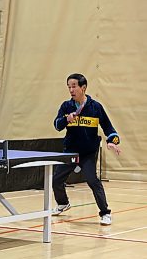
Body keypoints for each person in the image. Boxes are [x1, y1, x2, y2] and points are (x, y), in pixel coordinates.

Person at [52, 73, 121, 226]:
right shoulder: (66, 106)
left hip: (88, 153)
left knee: (92, 180)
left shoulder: (95, 107)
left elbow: (108, 127)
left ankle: (105, 213)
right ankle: (63, 203)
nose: (71, 90)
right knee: (56, 179)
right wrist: (66, 119)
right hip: (70, 151)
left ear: (83, 88)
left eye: (74, 86)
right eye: (69, 87)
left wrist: (112, 140)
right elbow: (57, 126)